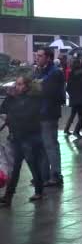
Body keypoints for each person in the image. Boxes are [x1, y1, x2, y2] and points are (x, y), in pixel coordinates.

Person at [0, 76, 45, 207]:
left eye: (20, 84)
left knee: (33, 164)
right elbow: (3, 109)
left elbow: (26, 115)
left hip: (29, 137)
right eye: (17, 84)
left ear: (27, 86)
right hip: (17, 137)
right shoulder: (15, 98)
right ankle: (8, 196)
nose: (17, 87)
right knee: (15, 168)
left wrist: (13, 109)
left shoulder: (33, 99)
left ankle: (39, 190)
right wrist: (10, 97)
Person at [34, 47, 65, 187]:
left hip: (49, 113)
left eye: (40, 56)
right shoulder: (39, 71)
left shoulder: (55, 72)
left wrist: (39, 86)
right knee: (42, 145)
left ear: (48, 58)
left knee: (50, 144)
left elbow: (50, 92)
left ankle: (56, 174)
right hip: (39, 112)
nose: (37, 58)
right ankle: (43, 175)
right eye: (37, 55)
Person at [64, 58, 81, 136]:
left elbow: (68, 87)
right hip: (78, 97)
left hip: (74, 97)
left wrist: (71, 94)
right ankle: (76, 130)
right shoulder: (79, 74)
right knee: (81, 115)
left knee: (73, 114)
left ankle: (67, 129)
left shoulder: (71, 73)